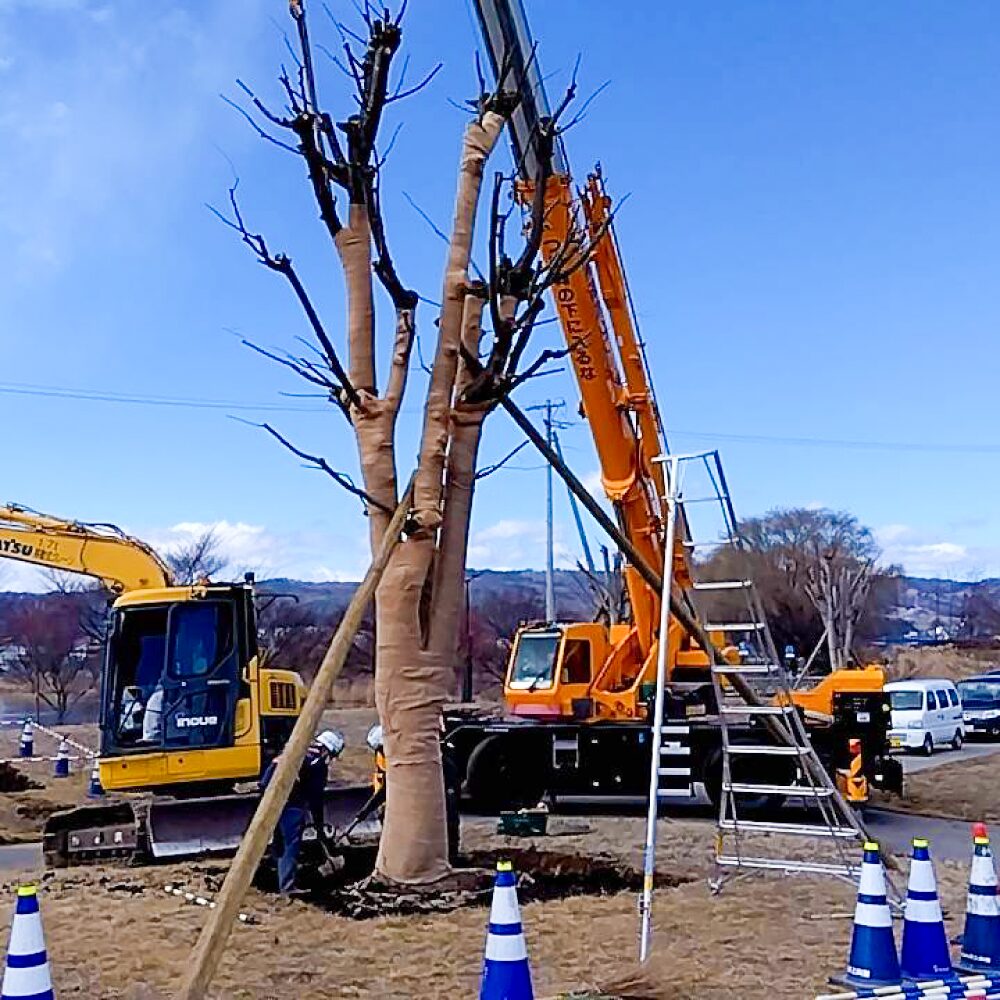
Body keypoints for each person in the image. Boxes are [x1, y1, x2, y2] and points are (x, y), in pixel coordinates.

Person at [261, 729, 345, 894]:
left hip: (267, 798)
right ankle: (287, 886)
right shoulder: (318, 763)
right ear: (328, 750)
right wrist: (319, 827)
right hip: (290, 804)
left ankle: (274, 875)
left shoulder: (296, 749)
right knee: (291, 844)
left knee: (279, 842)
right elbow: (316, 798)